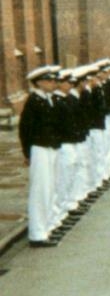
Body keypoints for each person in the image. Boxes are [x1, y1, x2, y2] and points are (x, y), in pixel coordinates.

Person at [19, 66, 62, 247]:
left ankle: (47, 228)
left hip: (50, 147)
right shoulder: (33, 101)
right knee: (40, 191)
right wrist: (27, 153)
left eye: (54, 81)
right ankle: (37, 234)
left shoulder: (47, 99)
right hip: (40, 148)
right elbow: (25, 129)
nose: (54, 84)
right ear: (39, 83)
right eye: (50, 81)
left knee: (50, 188)